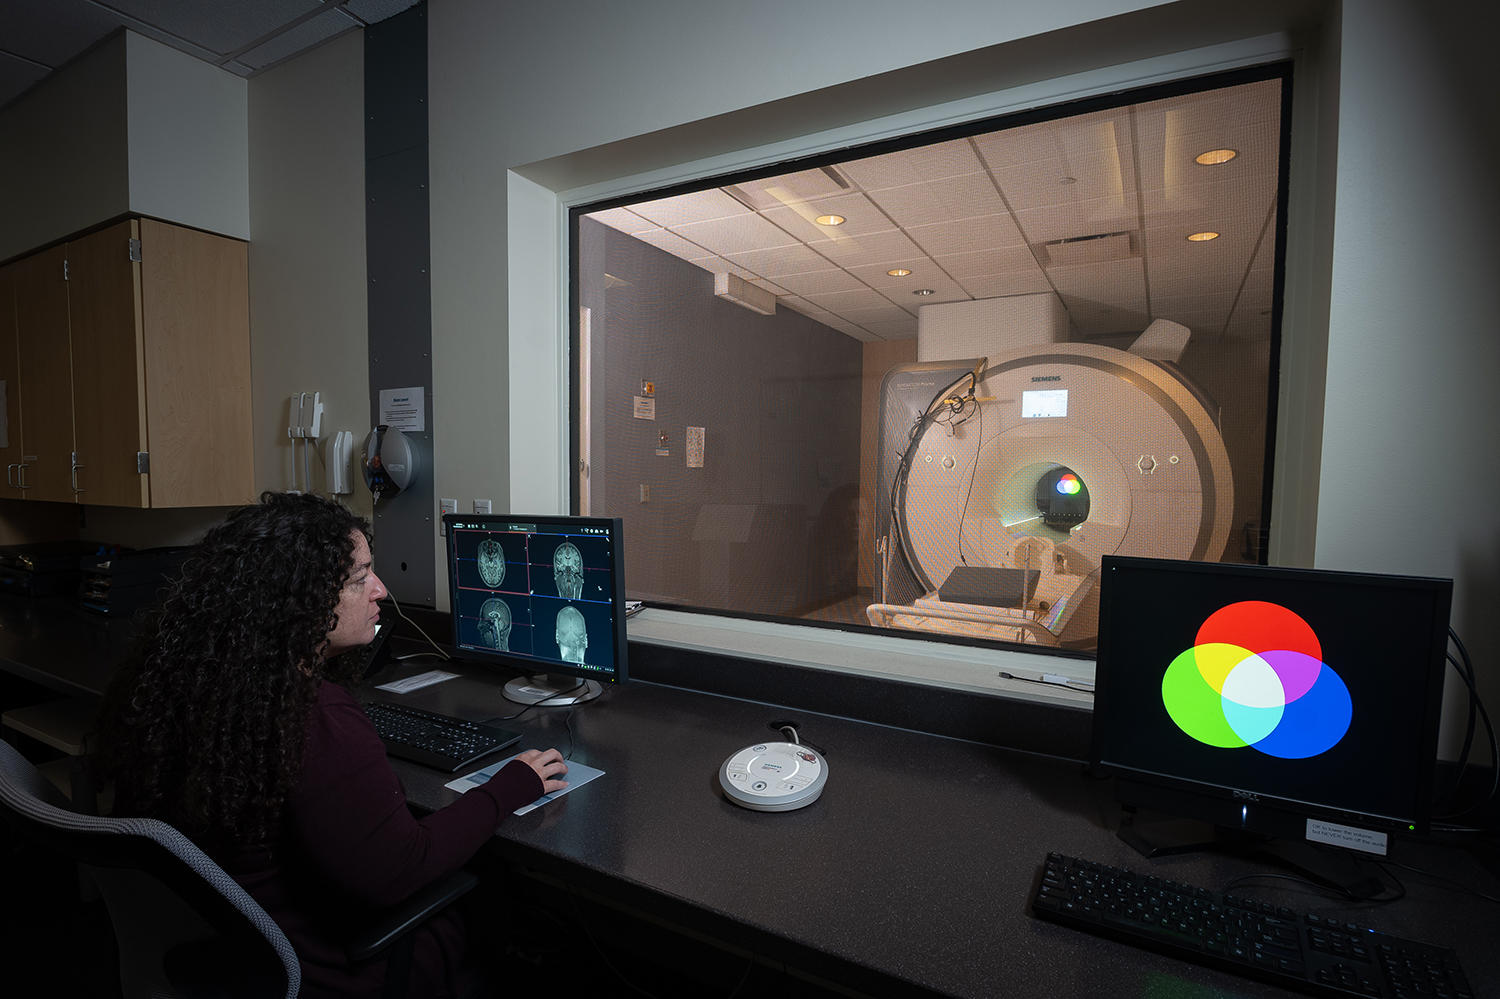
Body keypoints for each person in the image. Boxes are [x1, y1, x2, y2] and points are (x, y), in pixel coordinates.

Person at [96, 492, 567, 998]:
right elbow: (399, 870)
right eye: (359, 577)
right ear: (299, 599)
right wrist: (509, 787)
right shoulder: (311, 717)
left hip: (228, 949)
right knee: (489, 885)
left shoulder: (199, 687)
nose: (380, 589)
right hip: (328, 971)